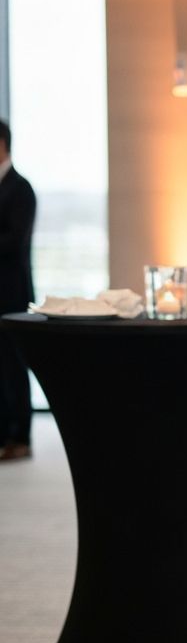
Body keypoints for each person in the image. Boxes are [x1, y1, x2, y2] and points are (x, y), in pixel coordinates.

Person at [0, 118, 37, 462]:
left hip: (11, 292)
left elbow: (15, 242)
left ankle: (20, 437)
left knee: (14, 365)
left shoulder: (21, 188)